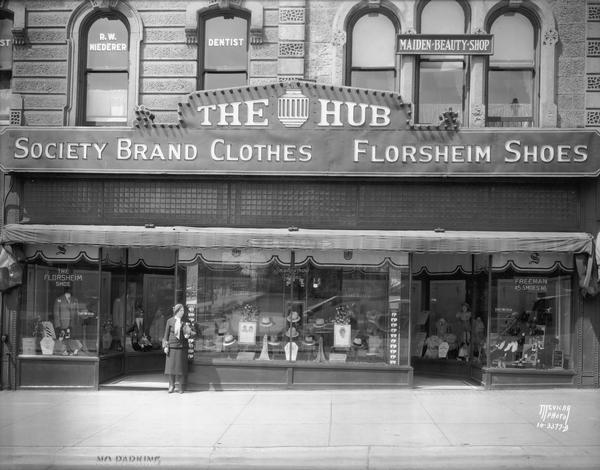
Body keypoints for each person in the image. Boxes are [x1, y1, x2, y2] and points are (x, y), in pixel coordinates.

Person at [162, 303, 192, 394]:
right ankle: (171, 385)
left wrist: (188, 334)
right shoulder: (170, 321)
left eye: (183, 310)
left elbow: (189, 333)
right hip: (171, 347)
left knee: (181, 368)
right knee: (171, 368)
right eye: (181, 310)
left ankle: (180, 387)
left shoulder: (186, 321)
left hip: (182, 347)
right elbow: (165, 335)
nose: (183, 312)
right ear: (177, 311)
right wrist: (165, 346)